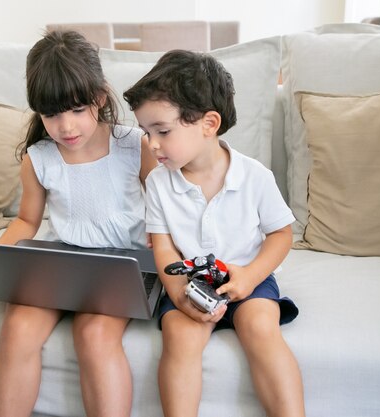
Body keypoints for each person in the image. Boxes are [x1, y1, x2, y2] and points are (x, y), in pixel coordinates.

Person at [123, 50, 306, 417]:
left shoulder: (254, 176)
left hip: (248, 277)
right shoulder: (159, 182)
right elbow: (163, 248)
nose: (152, 144)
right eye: (146, 132)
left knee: (259, 328)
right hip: (189, 284)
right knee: (179, 335)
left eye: (162, 131)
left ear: (208, 123)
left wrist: (251, 276)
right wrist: (177, 292)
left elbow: (281, 235)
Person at [0, 30, 156, 417]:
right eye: (52, 115)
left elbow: (167, 206)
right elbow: (27, 220)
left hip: (123, 263)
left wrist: (161, 236)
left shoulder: (135, 145)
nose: (66, 127)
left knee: (94, 335)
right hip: (64, 262)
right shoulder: (39, 158)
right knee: (17, 329)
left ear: (99, 98)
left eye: (77, 110)